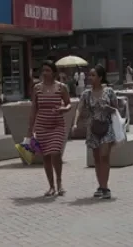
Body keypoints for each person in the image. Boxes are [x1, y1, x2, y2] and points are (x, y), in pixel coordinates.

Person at [74, 64, 119, 200]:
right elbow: (79, 108)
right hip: (93, 128)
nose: (90, 78)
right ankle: (100, 186)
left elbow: (116, 109)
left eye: (93, 75)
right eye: (90, 75)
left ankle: (106, 187)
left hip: (107, 127)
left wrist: (108, 107)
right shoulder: (86, 94)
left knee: (104, 156)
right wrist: (75, 123)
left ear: (100, 77)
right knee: (97, 158)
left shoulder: (109, 91)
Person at [28, 60, 72, 197]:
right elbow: (34, 109)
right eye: (43, 70)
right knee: (46, 156)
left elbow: (68, 103)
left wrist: (64, 109)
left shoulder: (61, 87)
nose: (45, 73)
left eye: (48, 70)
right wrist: (30, 129)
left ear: (54, 72)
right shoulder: (37, 88)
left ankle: (59, 183)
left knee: (55, 152)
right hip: (42, 126)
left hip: (57, 125)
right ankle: (51, 186)